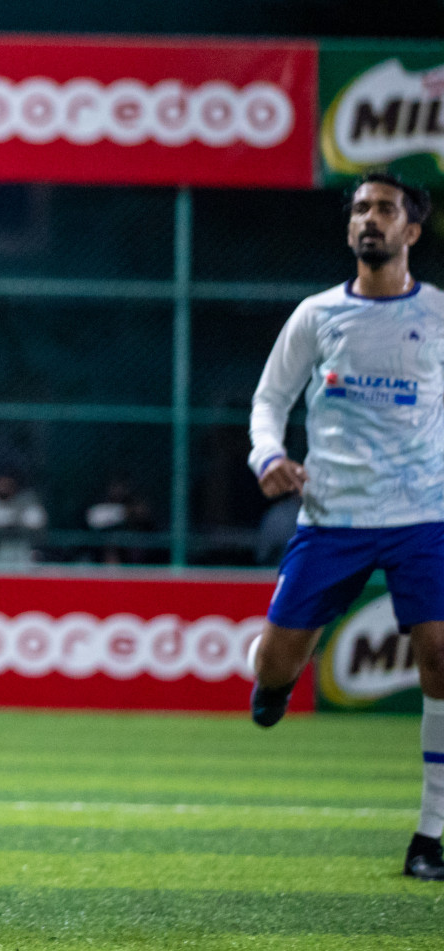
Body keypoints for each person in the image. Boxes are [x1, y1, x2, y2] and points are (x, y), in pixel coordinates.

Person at [246, 171, 444, 882]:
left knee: (441, 655)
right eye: (361, 208)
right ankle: (271, 683)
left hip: (425, 516)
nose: (371, 219)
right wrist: (268, 454)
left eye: (385, 209)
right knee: (276, 664)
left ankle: (431, 837)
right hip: (333, 518)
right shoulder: (317, 315)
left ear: (411, 231)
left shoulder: (440, 316)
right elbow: (270, 401)